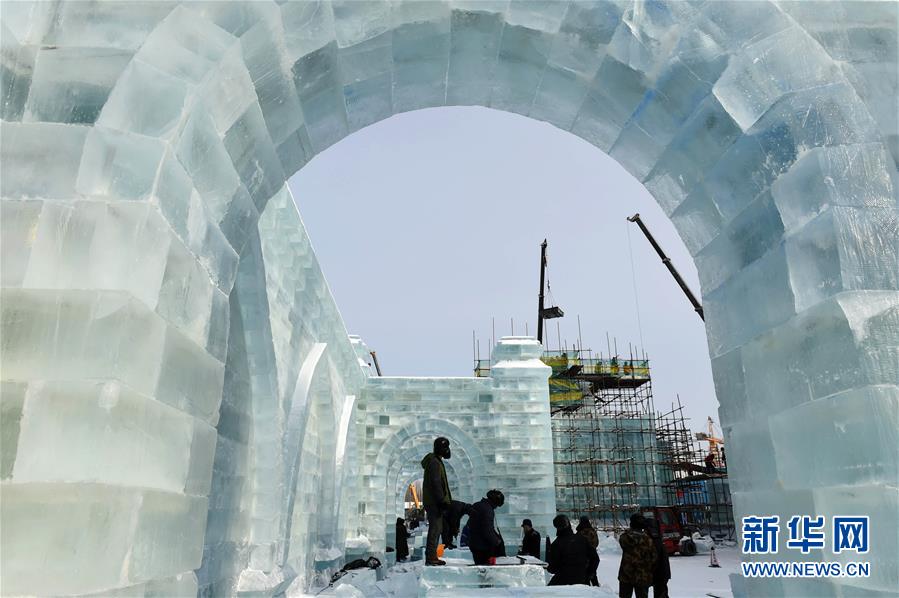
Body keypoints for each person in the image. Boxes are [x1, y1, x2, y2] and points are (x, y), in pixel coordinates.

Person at [421, 437, 453, 566]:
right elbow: (436, 483)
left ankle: (432, 556)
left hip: (434, 501)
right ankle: (431, 557)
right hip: (435, 502)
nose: (448, 450)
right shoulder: (434, 462)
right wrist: (441, 500)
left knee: (437, 529)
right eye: (446, 447)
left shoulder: (436, 461)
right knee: (435, 529)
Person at [546, 514, 598, 586]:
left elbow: (553, 568)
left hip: (563, 582)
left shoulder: (557, 544)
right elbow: (595, 559)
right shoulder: (582, 539)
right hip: (582, 580)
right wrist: (588, 574)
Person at [618, 513, 657, 598]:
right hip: (643, 575)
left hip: (626, 574)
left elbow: (622, 542)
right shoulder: (648, 539)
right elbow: (654, 557)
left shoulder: (625, 537)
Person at [466, 489, 505, 565]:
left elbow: (469, 524)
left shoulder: (477, 505)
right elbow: (487, 531)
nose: (496, 507)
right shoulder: (488, 510)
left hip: (474, 544)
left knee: (480, 567)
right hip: (483, 547)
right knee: (486, 570)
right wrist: (497, 542)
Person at [643, 518, 671, 598]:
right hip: (662, 573)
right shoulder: (657, 538)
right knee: (661, 593)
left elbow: (653, 559)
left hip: (658, 573)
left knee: (660, 594)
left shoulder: (653, 540)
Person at [576, 516, 600, 586]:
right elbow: (596, 543)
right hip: (593, 557)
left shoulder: (581, 532)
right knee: (593, 575)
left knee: (585, 578)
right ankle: (599, 592)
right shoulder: (593, 531)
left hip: (583, 558)